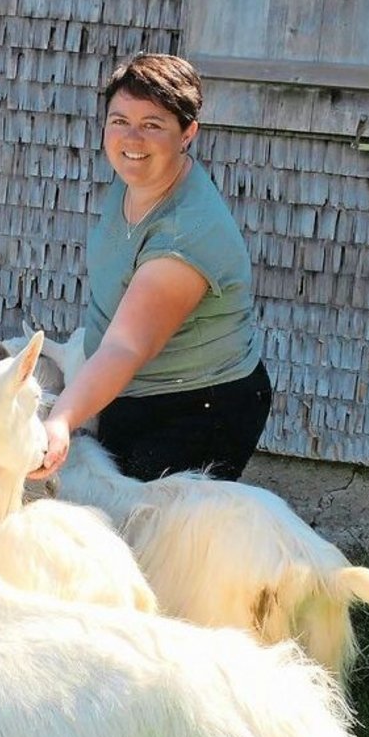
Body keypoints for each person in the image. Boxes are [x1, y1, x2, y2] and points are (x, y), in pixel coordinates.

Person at [31, 53, 272, 482]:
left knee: (145, 537)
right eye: (119, 120)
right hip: (129, 388)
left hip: (198, 407)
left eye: (153, 124)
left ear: (188, 133)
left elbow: (127, 346)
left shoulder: (185, 234)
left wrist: (61, 419)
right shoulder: (137, 177)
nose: (132, 138)